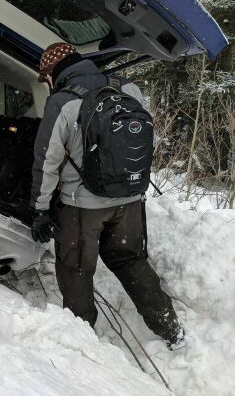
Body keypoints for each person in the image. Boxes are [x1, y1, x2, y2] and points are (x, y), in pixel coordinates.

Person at [29, 42, 185, 350]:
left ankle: (82, 336)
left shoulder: (62, 101)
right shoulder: (127, 88)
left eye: (45, 77)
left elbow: (46, 160)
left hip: (82, 207)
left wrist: (40, 209)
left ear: (52, 73)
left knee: (75, 267)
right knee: (131, 261)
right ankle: (171, 329)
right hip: (128, 200)